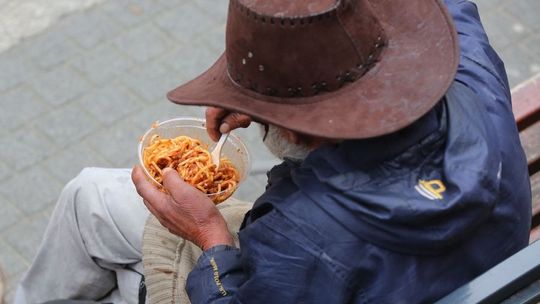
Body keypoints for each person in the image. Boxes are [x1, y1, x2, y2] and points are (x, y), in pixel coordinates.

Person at [15, 0, 532, 303]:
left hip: (330, 275)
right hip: (478, 270)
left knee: (89, 200)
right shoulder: (472, 74)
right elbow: (447, 11)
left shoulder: (299, 234)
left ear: (301, 132)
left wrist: (209, 235)